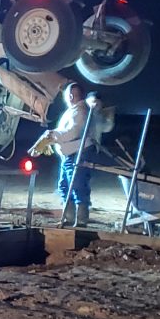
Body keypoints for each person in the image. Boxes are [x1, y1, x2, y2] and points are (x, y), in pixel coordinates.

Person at [29, 82, 109, 228]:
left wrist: (52, 136)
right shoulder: (75, 110)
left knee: (77, 185)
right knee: (65, 186)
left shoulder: (80, 111)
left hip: (78, 154)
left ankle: (81, 219)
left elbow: (72, 132)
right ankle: (70, 218)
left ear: (70, 96)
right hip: (70, 155)